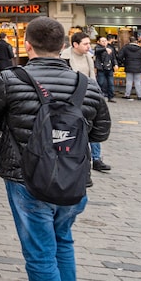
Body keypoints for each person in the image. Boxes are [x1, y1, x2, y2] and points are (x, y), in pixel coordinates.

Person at [0, 17, 111, 281]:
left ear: (28, 46)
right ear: (63, 45)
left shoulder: (10, 80)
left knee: (40, 256)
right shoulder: (87, 85)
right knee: (63, 242)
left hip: (26, 178)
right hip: (73, 179)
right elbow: (101, 132)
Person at [61, 31, 111, 175]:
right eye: (86, 44)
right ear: (75, 44)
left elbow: (92, 76)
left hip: (88, 97)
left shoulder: (88, 57)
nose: (89, 46)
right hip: (72, 100)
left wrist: (96, 93)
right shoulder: (65, 57)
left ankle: (96, 159)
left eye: (89, 43)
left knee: (93, 127)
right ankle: (77, 158)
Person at [117, 36, 141, 100]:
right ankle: (139, 96)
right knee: (138, 81)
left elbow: (119, 56)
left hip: (128, 66)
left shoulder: (125, 48)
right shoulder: (140, 49)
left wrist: (124, 61)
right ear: (136, 41)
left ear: (129, 41)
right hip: (138, 66)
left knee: (129, 81)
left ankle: (127, 95)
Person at [93, 36, 117, 102]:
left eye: (105, 41)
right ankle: (99, 96)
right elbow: (97, 51)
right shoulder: (98, 48)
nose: (104, 42)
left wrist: (115, 64)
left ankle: (111, 97)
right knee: (101, 82)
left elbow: (113, 57)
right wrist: (105, 49)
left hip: (110, 68)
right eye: (102, 41)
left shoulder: (110, 48)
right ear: (99, 42)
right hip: (101, 68)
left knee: (111, 83)